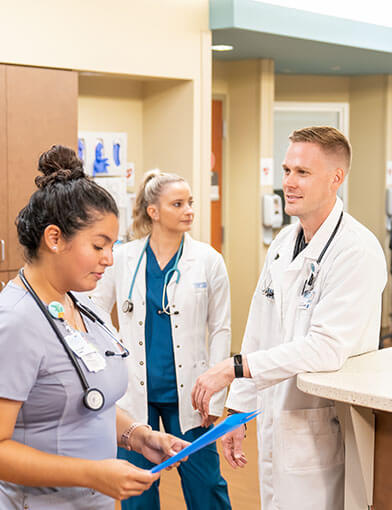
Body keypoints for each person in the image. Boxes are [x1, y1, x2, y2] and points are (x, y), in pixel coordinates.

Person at [191, 126, 388, 510]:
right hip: (275, 418)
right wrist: (238, 410)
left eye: (302, 172)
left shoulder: (357, 251)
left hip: (322, 426)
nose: (288, 184)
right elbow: (258, 332)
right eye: (286, 171)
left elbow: (325, 349)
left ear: (336, 178)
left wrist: (234, 369)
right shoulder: (283, 243)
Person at [0, 146, 188, 510]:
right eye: (99, 246)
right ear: (54, 239)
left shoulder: (82, 303)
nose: (110, 259)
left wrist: (139, 436)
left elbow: (88, 402)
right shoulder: (16, 322)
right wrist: (91, 474)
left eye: (113, 246)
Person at [91, 170, 232, 510]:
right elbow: (92, 312)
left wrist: (215, 399)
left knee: (206, 485)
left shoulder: (208, 260)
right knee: (137, 489)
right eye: (178, 204)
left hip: (192, 391)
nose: (189, 211)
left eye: (190, 203)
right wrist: (107, 368)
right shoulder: (123, 258)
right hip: (135, 391)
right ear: (153, 211)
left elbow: (221, 329)